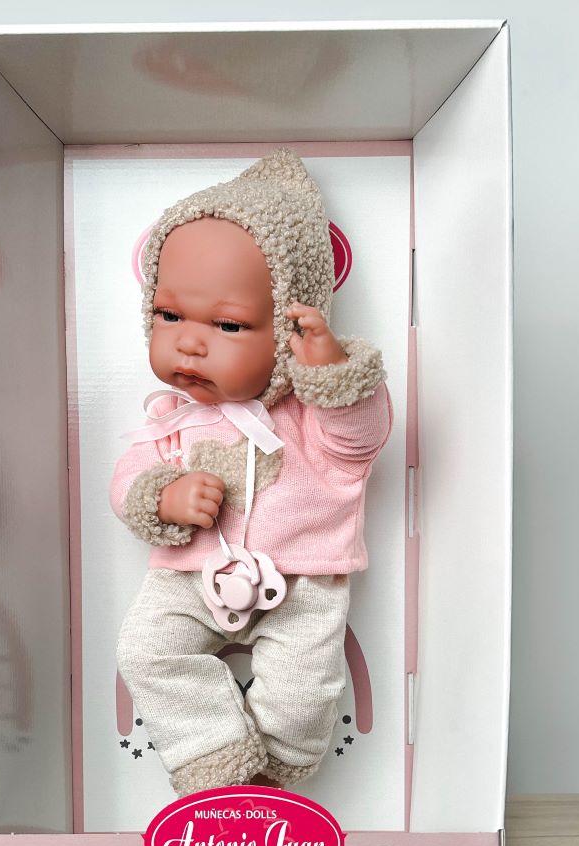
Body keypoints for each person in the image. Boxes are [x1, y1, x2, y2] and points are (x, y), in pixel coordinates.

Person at [110, 148, 392, 797]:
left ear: (291, 322)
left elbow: (360, 441)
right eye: (169, 315)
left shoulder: (312, 417)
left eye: (228, 324)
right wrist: (163, 496)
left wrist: (330, 376)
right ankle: (215, 760)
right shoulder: (172, 420)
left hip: (304, 580)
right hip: (190, 576)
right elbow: (127, 481)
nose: (189, 341)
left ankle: (276, 772)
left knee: (303, 688)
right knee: (147, 650)